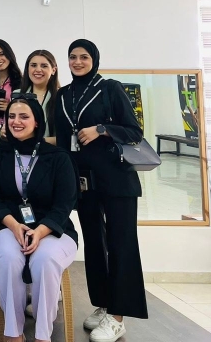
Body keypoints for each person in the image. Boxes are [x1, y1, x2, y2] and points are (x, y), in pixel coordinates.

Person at [54, 39, 147, 342]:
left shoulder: (110, 88)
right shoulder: (63, 95)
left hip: (117, 181)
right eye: (73, 57)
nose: (78, 62)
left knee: (121, 244)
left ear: (94, 59)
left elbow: (134, 131)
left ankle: (118, 316)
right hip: (84, 182)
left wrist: (101, 129)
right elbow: (63, 141)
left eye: (84, 57)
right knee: (94, 244)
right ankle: (104, 304)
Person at [0, 94, 78, 342]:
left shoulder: (58, 157)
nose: (16, 121)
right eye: (11, 116)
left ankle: (43, 335)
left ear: (37, 122)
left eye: (24, 116)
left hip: (52, 227)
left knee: (45, 259)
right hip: (6, 225)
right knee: (9, 257)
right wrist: (14, 226)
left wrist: (41, 231)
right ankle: (13, 334)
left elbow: (64, 204)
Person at [14, 50, 60, 144]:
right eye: (33, 65)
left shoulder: (62, 96)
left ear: (53, 70)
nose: (38, 69)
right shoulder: (16, 95)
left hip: (51, 151)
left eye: (44, 66)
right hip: (21, 150)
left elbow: (66, 137)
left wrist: (37, 142)